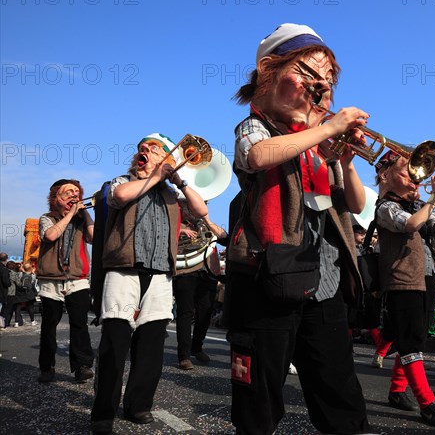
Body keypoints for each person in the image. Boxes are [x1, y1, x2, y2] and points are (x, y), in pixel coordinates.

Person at [227, 23, 371, 434]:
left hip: (324, 280)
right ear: (268, 74)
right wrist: (326, 129)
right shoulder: (257, 126)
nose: (320, 88)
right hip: (268, 275)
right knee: (259, 396)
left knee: (339, 388)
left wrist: (345, 159)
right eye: (307, 75)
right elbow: (257, 156)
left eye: (326, 80)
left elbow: (357, 205)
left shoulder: (318, 144)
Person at [90, 133, 209, 434]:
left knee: (152, 345)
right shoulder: (121, 181)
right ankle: (103, 410)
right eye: (142, 149)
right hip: (124, 270)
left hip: (160, 274)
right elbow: (119, 197)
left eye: (154, 149)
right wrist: (155, 175)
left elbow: (201, 211)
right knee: (115, 344)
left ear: (166, 158)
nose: (145, 151)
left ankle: (138, 405)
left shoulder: (171, 193)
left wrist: (179, 180)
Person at [374, 151, 435, 427]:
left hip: (427, 276)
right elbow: (410, 224)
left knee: (418, 337)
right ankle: (427, 403)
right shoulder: (384, 206)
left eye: (416, 174)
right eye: (406, 173)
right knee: (410, 339)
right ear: (385, 176)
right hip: (402, 280)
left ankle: (397, 391)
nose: (415, 179)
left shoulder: (418, 205)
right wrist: (432, 199)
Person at [36, 179, 95, 383]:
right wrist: (70, 214)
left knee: (79, 324)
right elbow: (50, 236)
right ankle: (47, 367)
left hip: (77, 279)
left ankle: (82, 366)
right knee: (49, 326)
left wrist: (84, 212)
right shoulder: (47, 218)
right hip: (50, 279)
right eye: (68, 192)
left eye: (77, 192)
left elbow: (93, 237)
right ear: (55, 198)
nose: (74, 195)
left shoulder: (81, 219)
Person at [173, 212, 226, 370]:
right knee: (185, 313)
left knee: (205, 312)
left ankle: (197, 347)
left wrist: (208, 221)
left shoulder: (205, 223)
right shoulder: (176, 222)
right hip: (185, 272)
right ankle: (184, 355)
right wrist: (178, 231)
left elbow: (223, 238)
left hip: (208, 271)